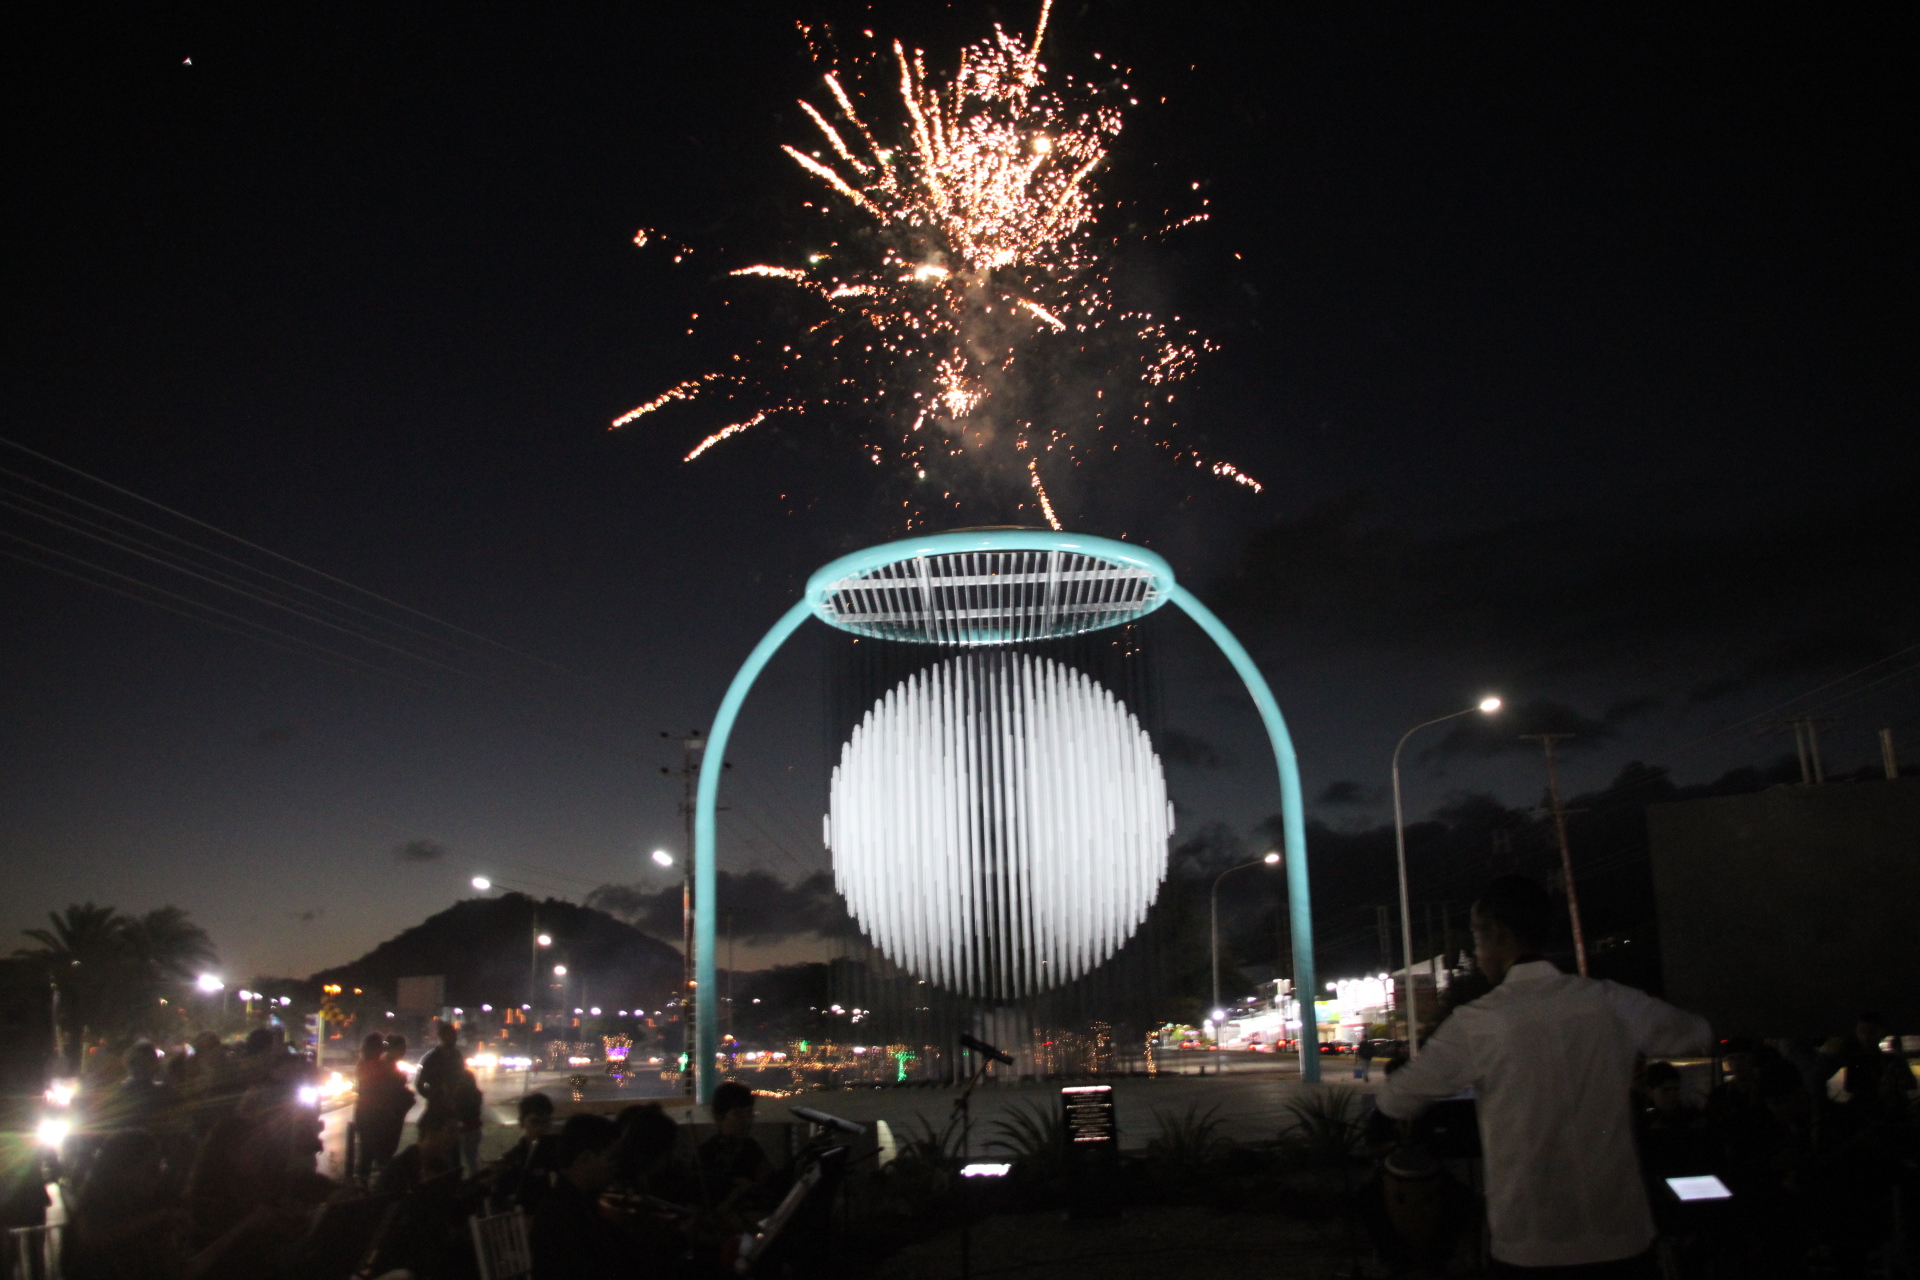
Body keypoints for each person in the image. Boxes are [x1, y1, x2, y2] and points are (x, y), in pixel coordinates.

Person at [1377, 875, 1711, 1276]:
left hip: (1531, 1239)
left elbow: (1396, 1099)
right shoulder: (1611, 1002)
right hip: (1621, 1232)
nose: (1476, 952)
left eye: (1476, 936)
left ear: (1497, 933)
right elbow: (1697, 1035)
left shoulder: (1478, 1022)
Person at [530, 1114, 638, 1279]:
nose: (614, 1167)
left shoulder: (570, 1202)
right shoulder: (564, 1214)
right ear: (585, 1158)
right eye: (610, 1158)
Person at [492, 1092, 563, 1213]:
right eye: (534, 1122)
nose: (540, 1128)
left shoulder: (559, 1152)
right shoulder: (514, 1159)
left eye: (545, 1122)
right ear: (522, 1122)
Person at [358, 1034, 414, 1177]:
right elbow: (393, 1084)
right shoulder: (377, 1066)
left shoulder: (367, 1065)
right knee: (378, 1154)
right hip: (378, 1116)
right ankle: (375, 1186)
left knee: (368, 1154)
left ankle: (365, 1183)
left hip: (370, 1114)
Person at [350, 1032, 388, 1180]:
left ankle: (365, 1180)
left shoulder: (363, 1064)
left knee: (369, 1150)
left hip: (366, 1111)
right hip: (370, 1112)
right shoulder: (370, 1066)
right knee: (369, 1150)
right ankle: (365, 1182)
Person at [415, 1019, 464, 1124]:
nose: (454, 1039)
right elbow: (420, 1083)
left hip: (453, 1107)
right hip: (437, 1109)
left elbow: (462, 1078)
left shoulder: (457, 1056)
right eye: (450, 1036)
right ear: (442, 1037)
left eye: (454, 1036)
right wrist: (433, 1096)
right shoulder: (432, 1059)